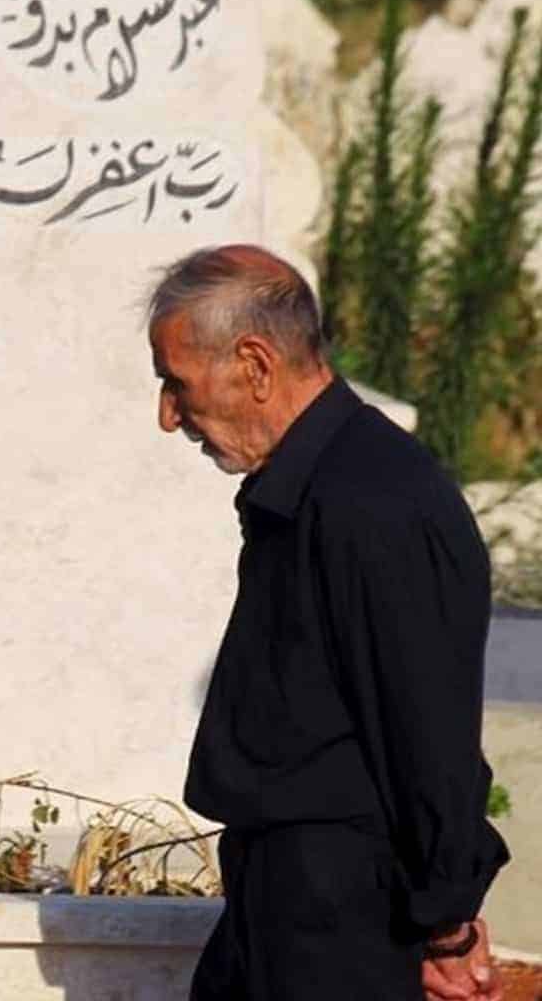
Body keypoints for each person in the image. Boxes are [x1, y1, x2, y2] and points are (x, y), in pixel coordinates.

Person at [146, 245, 508, 1001]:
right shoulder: (313, 486)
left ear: (254, 364)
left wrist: (444, 921)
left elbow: (427, 732)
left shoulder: (372, 500)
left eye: (177, 383)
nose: (169, 416)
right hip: (281, 904)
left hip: (341, 920)